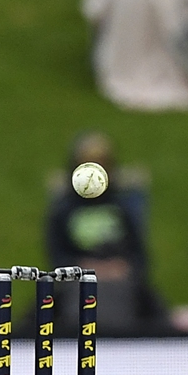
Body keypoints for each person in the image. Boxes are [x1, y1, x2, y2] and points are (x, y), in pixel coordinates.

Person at [45, 132, 168, 334]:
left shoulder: (123, 206)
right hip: (77, 281)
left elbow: (139, 256)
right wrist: (85, 268)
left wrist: (122, 267)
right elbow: (57, 257)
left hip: (121, 281)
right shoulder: (64, 209)